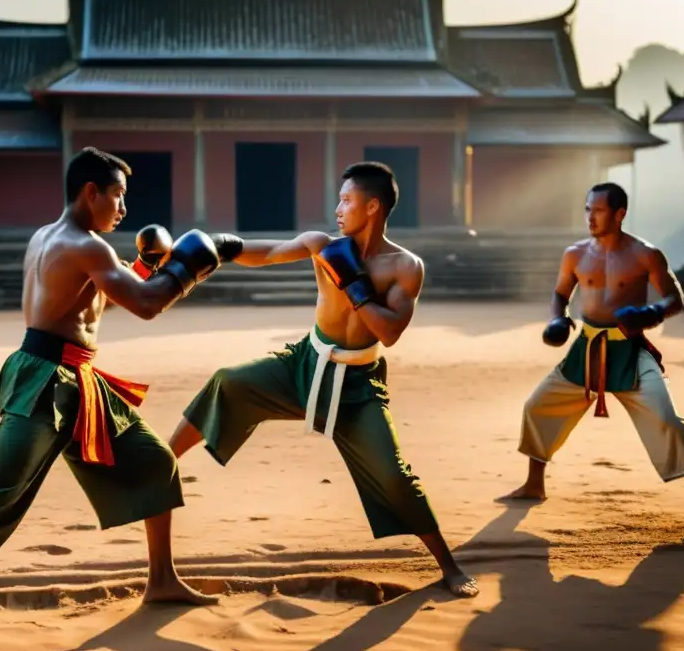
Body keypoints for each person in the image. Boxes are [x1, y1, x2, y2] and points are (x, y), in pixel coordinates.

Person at [0, 147, 226, 632]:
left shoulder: (48, 235)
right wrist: (187, 270)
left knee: (154, 461)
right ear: (91, 193)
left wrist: (147, 270)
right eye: (118, 197)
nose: (124, 209)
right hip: (46, 380)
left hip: (77, 381)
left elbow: (90, 308)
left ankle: (162, 580)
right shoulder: (89, 246)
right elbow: (148, 307)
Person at [167, 161, 480, 598]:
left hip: (359, 383)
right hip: (306, 364)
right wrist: (219, 248)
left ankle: (448, 564)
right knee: (229, 381)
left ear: (372, 206)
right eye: (338, 199)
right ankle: (162, 461)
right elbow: (271, 253)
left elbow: (389, 332)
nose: (338, 208)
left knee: (394, 476)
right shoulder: (321, 244)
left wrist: (353, 284)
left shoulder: (405, 266)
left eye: (347, 200)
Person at [500, 181, 684, 531]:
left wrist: (651, 312)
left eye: (599, 210)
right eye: (587, 209)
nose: (591, 217)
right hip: (587, 346)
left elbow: (675, 297)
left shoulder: (645, 254)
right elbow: (560, 292)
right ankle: (535, 484)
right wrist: (558, 318)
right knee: (537, 406)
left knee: (668, 420)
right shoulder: (575, 253)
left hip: (629, 349)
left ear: (620, 214)